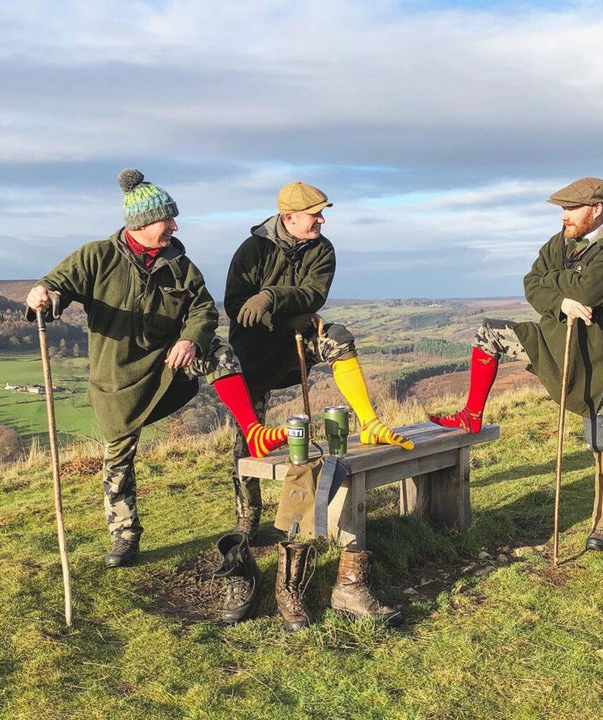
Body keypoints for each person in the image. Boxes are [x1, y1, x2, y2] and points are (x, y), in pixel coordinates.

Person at [25, 169, 287, 568]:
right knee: (118, 458)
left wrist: (191, 338)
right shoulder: (96, 255)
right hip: (118, 377)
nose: (176, 226)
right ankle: (124, 536)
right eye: (169, 220)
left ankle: (253, 433)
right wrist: (44, 295)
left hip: (170, 365)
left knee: (219, 353)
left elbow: (202, 309)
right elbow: (58, 284)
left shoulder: (180, 264)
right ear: (142, 223)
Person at [222, 181, 411, 628]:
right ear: (290, 217)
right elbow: (235, 307)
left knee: (340, 336)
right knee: (244, 442)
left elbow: (314, 296)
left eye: (322, 214)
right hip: (253, 353)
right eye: (315, 214)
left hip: (300, 344)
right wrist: (274, 308)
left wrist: (272, 298)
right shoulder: (250, 251)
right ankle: (248, 519)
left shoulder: (321, 249)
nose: (322, 220)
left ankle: (370, 420)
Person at [430, 177, 603, 552]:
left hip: (595, 358)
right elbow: (531, 283)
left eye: (570, 209)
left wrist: (561, 286)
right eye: (561, 209)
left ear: (596, 209)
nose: (563, 217)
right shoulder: (559, 242)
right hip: (549, 339)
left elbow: (588, 291)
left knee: (600, 439)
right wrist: (561, 301)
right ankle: (471, 414)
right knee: (488, 334)